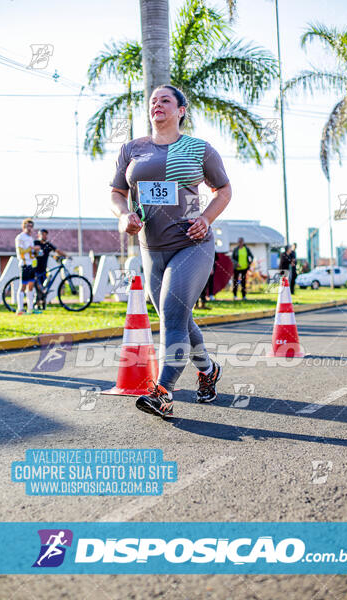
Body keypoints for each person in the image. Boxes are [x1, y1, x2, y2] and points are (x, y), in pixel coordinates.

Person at [110, 84, 231, 418]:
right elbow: (117, 192)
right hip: (151, 247)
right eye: (153, 101)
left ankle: (162, 392)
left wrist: (206, 219)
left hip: (192, 244)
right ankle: (207, 370)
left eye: (165, 100)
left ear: (181, 110)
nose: (157, 104)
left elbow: (223, 189)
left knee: (172, 313)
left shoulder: (198, 149)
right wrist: (124, 216)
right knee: (175, 316)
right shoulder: (132, 149)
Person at [15, 218, 40, 315]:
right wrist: (32, 248)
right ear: (23, 227)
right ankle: (20, 309)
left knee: (31, 286)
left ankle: (30, 309)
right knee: (23, 286)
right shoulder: (20, 237)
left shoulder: (30, 238)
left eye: (31, 226)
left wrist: (36, 252)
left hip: (31, 264)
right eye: (27, 226)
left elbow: (31, 252)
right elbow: (20, 252)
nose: (29, 228)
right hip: (24, 264)